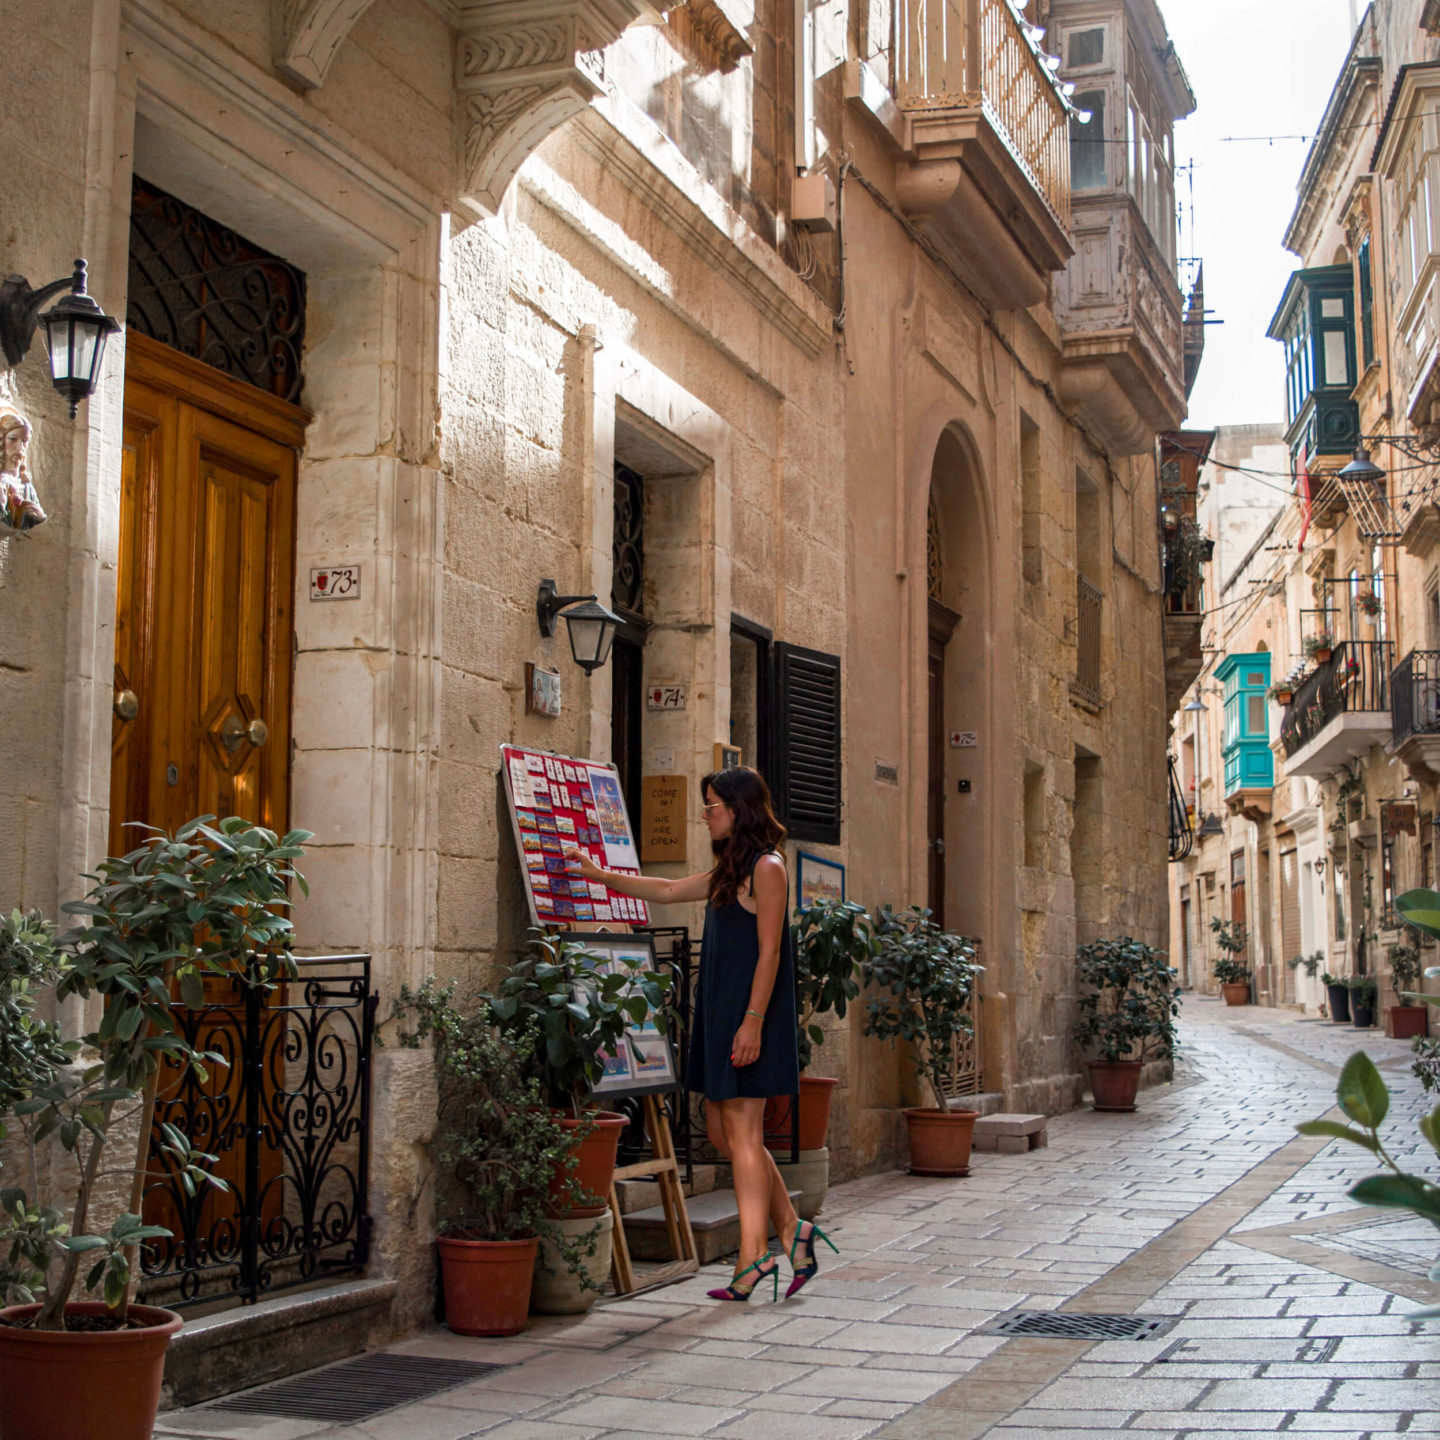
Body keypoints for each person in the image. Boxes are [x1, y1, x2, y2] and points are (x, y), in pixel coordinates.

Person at [564, 765, 835, 1302]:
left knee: (744, 1136)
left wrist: (753, 1023)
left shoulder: (768, 868)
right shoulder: (730, 872)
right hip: (722, 1014)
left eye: (712, 805)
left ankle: (753, 1255)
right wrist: (597, 874)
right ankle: (792, 1232)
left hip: (748, 1017)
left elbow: (771, 951)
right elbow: (664, 890)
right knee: (722, 1132)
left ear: (738, 810)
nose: (705, 815)